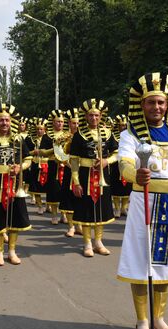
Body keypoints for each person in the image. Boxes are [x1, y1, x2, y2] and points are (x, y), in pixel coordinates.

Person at [117, 72, 168, 329]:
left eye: (161, 103)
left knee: (164, 264)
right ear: (142, 105)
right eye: (151, 103)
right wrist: (135, 174)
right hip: (144, 202)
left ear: (167, 105)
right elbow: (123, 164)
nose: (156, 108)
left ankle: (159, 320)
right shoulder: (130, 133)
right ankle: (141, 322)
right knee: (140, 262)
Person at [0, 103, 32, 266]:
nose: (4, 123)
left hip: (15, 184)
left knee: (15, 218)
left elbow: (28, 159)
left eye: (7, 120)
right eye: (1, 120)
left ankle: (12, 251)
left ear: (11, 122)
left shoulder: (18, 139)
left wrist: (20, 167)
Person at [69, 98, 117, 257]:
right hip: (84, 175)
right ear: (86, 117)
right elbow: (74, 160)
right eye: (91, 115)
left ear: (101, 116)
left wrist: (107, 160)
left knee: (101, 208)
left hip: (103, 175)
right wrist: (76, 181)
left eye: (96, 115)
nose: (94, 118)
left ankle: (98, 241)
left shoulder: (109, 134)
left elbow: (117, 153)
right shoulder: (79, 135)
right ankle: (87, 243)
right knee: (86, 208)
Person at [59, 109, 82, 237]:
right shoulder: (64, 137)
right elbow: (59, 154)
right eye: (74, 123)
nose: (76, 126)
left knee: (80, 197)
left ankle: (79, 225)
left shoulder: (84, 136)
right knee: (68, 198)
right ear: (69, 123)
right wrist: (70, 164)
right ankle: (71, 226)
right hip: (69, 170)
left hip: (82, 171)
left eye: (78, 123)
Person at [45, 110, 68, 225]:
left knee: (64, 190)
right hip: (53, 165)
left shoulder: (68, 135)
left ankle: (64, 214)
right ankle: (54, 214)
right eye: (57, 121)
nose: (59, 124)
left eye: (61, 122)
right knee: (53, 190)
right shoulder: (48, 136)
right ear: (53, 123)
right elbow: (42, 151)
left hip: (66, 165)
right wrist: (54, 151)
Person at [110, 115, 133, 218]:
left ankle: (124, 207)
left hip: (128, 163)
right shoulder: (113, 136)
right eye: (121, 125)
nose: (123, 127)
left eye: (125, 125)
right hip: (115, 164)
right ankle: (117, 208)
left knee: (127, 187)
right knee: (116, 187)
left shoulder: (130, 136)